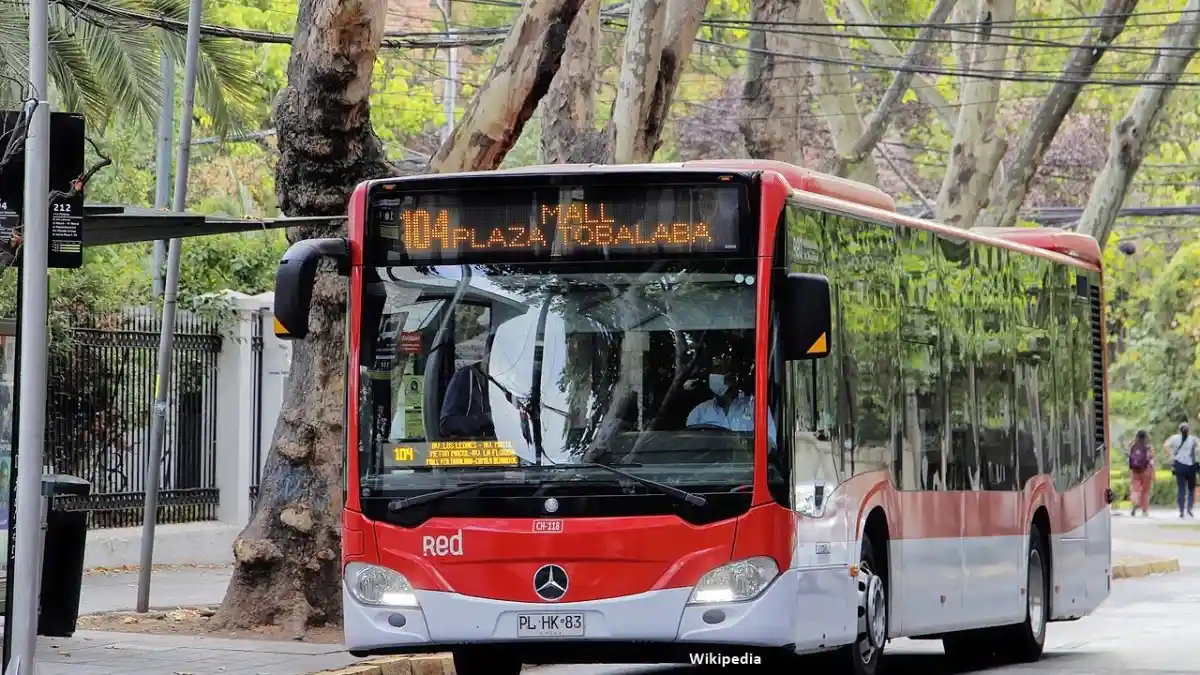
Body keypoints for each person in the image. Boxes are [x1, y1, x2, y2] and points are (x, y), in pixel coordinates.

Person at [686, 352, 776, 448]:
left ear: (733, 377)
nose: (716, 375)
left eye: (722, 371)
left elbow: (770, 445)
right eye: (715, 370)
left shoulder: (756, 407)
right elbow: (689, 447)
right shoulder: (699, 412)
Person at [439, 336, 496, 438]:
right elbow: (446, 424)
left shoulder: (507, 381)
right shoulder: (465, 376)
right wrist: (486, 419)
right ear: (487, 355)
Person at [1165, 422, 1198, 518]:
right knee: (1191, 489)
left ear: (1180, 430)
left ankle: (1181, 511)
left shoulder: (1174, 438)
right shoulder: (1193, 439)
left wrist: (1171, 456)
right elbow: (1198, 446)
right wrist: (1195, 452)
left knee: (1181, 488)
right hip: (1191, 466)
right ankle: (1189, 508)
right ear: (1188, 430)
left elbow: (1166, 445)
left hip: (1179, 465)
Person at [1127, 430, 1154, 516]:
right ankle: (1145, 510)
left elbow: (1129, 454)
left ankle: (1135, 503)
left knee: (1135, 489)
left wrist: (1134, 440)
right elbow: (1152, 458)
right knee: (1145, 491)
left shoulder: (1133, 445)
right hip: (1146, 470)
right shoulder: (1148, 446)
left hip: (1135, 471)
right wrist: (1153, 472)